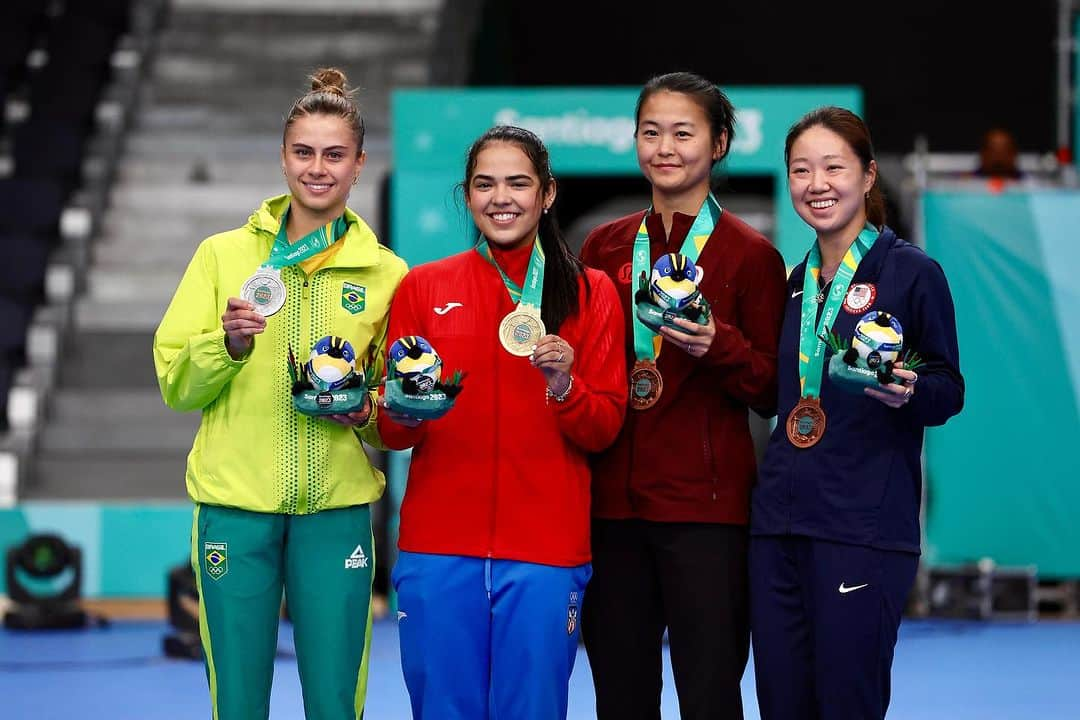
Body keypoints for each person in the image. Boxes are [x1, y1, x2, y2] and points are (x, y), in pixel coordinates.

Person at [153, 67, 407, 720]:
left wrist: (366, 411)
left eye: (333, 154)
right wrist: (229, 346)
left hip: (336, 511)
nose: (316, 169)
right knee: (237, 701)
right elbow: (176, 381)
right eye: (303, 152)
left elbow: (393, 413)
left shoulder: (388, 274)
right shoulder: (222, 256)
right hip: (235, 506)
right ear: (283, 156)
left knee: (333, 701)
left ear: (358, 164)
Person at [378, 125, 627, 720]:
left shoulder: (591, 295)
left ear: (547, 194)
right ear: (467, 196)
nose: (501, 197)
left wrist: (565, 387)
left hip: (545, 552)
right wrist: (407, 408)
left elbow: (603, 429)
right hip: (439, 549)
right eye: (485, 184)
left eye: (518, 182)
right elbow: (394, 433)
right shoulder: (424, 286)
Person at [579, 71, 788, 720]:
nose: (664, 147)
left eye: (683, 132)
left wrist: (713, 344)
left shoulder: (751, 257)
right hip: (613, 508)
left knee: (710, 696)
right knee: (621, 696)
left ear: (719, 143)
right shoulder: (603, 246)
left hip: (707, 512)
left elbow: (769, 391)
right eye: (650, 132)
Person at [749, 106, 964, 720]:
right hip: (779, 529)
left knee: (848, 704)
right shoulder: (795, 283)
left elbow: (948, 388)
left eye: (833, 168)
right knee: (781, 705)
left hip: (862, 530)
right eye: (800, 170)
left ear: (868, 177)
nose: (816, 184)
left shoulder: (914, 272)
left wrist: (909, 391)